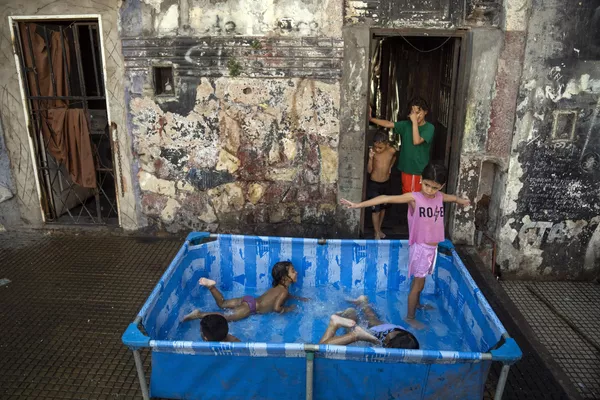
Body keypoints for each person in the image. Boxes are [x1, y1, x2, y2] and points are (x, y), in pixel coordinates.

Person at [340, 163, 470, 326]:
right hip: (421, 248)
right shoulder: (414, 197)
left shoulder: (439, 196)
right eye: (427, 185)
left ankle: (417, 304)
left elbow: (452, 197)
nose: (429, 190)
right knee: (418, 284)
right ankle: (410, 317)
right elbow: (386, 198)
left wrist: (462, 201)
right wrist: (357, 205)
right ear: (421, 180)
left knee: (421, 283)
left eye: (434, 187)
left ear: (441, 186)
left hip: (432, 249)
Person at [182, 261, 303, 322]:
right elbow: (277, 308)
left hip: (249, 299)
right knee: (225, 318)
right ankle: (199, 314)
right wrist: (288, 309)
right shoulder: (284, 292)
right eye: (293, 271)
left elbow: (283, 296)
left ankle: (212, 287)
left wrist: (299, 299)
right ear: (284, 278)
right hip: (250, 308)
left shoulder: (278, 288)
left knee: (222, 304)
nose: (296, 272)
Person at [369, 97, 434, 194]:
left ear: (426, 112)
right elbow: (388, 124)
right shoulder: (406, 125)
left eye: (418, 112)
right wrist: (371, 119)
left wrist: (414, 123)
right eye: (413, 112)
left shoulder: (429, 128)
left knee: (415, 197)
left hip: (418, 170)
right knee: (408, 196)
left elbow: (416, 141)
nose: (415, 116)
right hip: (406, 169)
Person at [318, 295, 419, 349]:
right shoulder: (388, 345)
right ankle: (344, 322)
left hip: (398, 331)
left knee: (372, 318)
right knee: (351, 330)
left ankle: (363, 303)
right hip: (387, 335)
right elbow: (320, 349)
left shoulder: (400, 341)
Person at [367, 130, 397, 239]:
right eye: (376, 147)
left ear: (387, 145)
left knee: (383, 208)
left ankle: (379, 229)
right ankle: (376, 232)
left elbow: (394, 157)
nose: (378, 150)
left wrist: (390, 167)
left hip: (386, 183)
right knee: (375, 209)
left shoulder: (391, 151)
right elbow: (369, 170)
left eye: (381, 148)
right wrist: (370, 158)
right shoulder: (373, 153)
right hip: (374, 184)